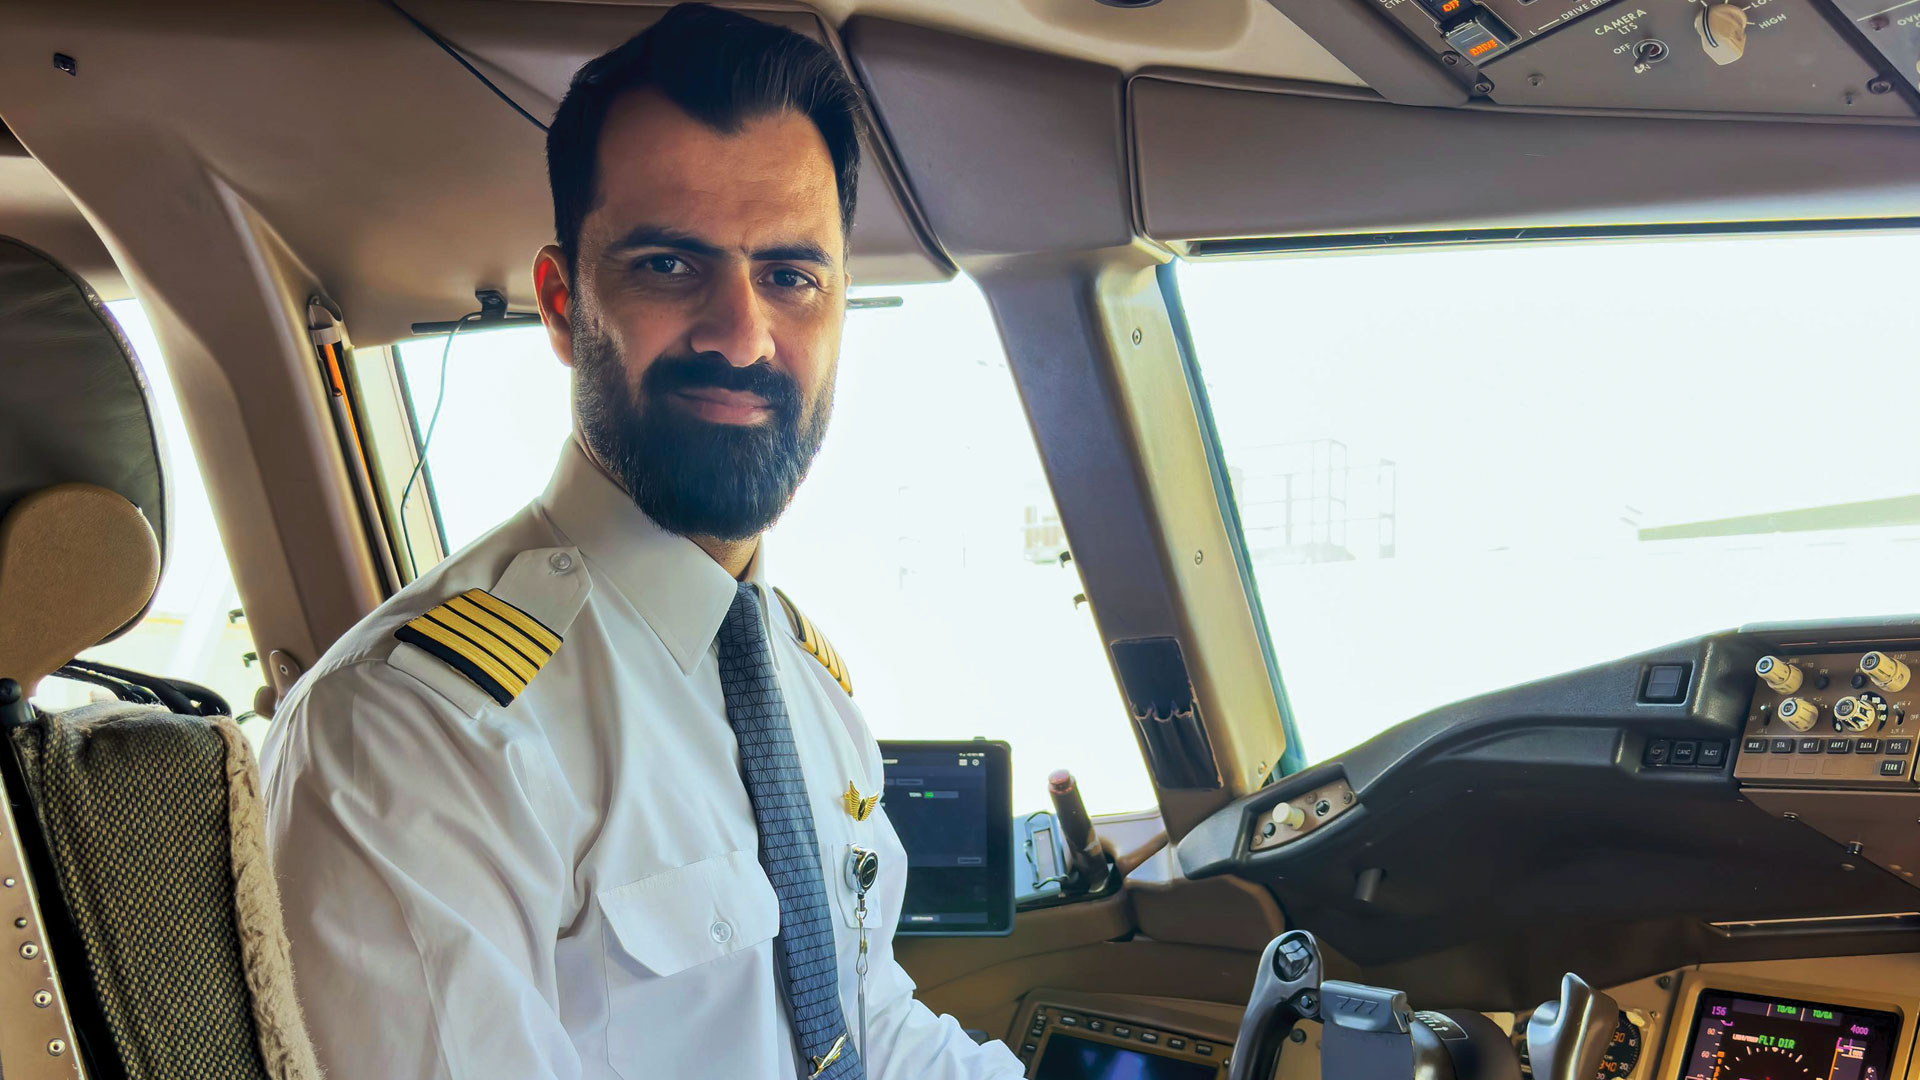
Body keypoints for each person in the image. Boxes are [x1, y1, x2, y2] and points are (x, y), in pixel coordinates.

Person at [259, 6, 1026, 1078]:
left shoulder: (811, 693)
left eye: (792, 276)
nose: (743, 333)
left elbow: (868, 1025)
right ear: (564, 305)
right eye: (671, 266)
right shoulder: (415, 738)